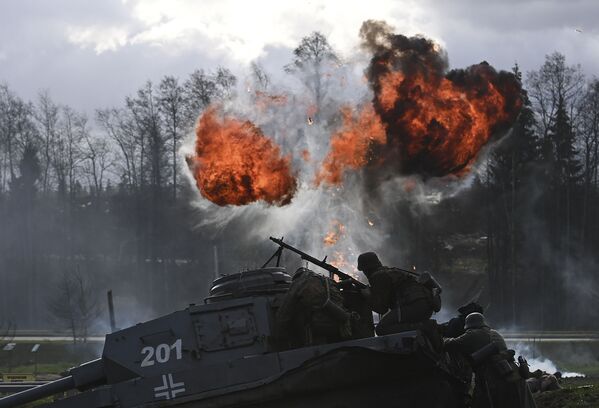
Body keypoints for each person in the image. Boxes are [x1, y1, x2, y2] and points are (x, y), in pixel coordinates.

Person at [444, 312, 537, 408]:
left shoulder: (473, 334)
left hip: (496, 382)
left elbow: (451, 344)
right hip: (514, 376)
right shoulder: (495, 333)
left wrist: (443, 337)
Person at [356, 252, 436, 335]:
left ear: (367, 269)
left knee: (381, 329)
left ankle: (425, 326)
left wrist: (368, 296)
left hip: (414, 306)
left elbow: (382, 309)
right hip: (426, 304)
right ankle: (421, 328)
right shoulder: (389, 271)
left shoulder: (378, 276)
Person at [275, 267, 353, 347]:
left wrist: (279, 339)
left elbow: (283, 314)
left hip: (316, 335)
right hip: (340, 330)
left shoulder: (299, 283)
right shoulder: (327, 280)